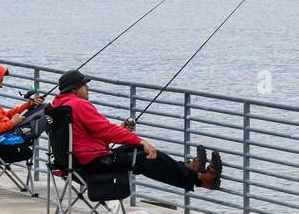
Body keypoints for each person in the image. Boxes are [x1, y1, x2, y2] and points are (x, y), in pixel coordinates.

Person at [49, 70, 221, 191]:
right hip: (93, 163)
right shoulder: (79, 104)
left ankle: (188, 168)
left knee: (136, 153)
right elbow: (105, 130)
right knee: (145, 155)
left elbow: (84, 137)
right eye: (84, 86)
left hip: (72, 162)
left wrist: (121, 130)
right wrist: (141, 141)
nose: (88, 89)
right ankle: (202, 180)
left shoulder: (56, 106)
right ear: (74, 89)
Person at [0, 60, 45, 162]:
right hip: (6, 141)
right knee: (48, 111)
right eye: (0, 81)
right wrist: (13, 122)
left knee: (43, 108)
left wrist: (28, 105)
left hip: (2, 134)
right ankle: (65, 159)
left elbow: (3, 115)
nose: (1, 85)